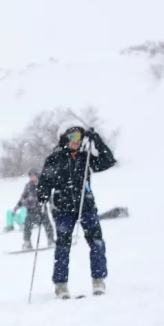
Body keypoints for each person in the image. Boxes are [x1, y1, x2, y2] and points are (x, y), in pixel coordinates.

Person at [37, 126, 117, 298]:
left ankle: (98, 280)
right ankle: (61, 285)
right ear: (65, 138)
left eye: (80, 137)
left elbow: (108, 161)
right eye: (72, 136)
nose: (76, 140)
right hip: (63, 209)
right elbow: (44, 181)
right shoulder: (55, 159)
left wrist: (96, 139)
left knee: (97, 242)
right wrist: (42, 195)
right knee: (63, 247)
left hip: (86, 206)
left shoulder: (85, 157)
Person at [16, 168, 55, 250]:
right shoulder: (28, 186)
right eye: (31, 176)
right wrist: (17, 207)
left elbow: (49, 196)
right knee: (27, 226)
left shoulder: (43, 185)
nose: (32, 177)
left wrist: (51, 204)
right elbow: (23, 197)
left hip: (41, 209)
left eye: (34, 176)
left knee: (47, 224)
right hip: (31, 210)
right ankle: (27, 243)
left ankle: (50, 240)